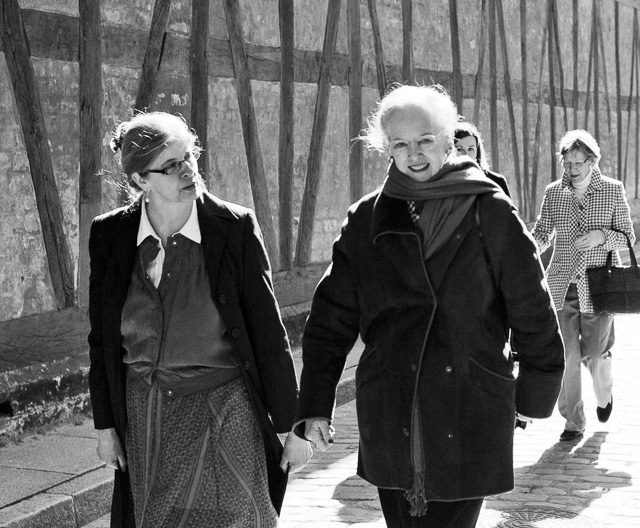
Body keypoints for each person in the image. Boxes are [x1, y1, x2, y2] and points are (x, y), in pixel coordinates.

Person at [293, 85, 565, 527]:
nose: (414, 154)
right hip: (392, 406)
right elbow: (330, 320)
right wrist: (315, 403)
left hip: (470, 403)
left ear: (446, 137)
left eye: (424, 140)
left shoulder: (489, 209)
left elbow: (531, 306)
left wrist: (530, 397)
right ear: (386, 149)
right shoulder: (368, 219)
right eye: (400, 144)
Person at [88, 112, 311, 527]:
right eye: (171, 166)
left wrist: (293, 427)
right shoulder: (109, 234)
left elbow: (267, 331)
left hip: (225, 406)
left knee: (243, 515)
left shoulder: (233, 226)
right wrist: (105, 426)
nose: (188, 170)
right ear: (140, 181)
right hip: (147, 412)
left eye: (188, 156)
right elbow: (100, 339)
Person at [532, 129, 635, 442]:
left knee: (595, 354)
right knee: (568, 357)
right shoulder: (553, 192)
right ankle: (574, 421)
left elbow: (628, 237)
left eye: (579, 161)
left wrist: (601, 236)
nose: (573, 167)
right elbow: (541, 233)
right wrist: (520, 248)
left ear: (593, 160)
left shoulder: (613, 190)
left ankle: (604, 394)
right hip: (561, 285)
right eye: (568, 161)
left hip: (600, 286)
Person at [454, 120, 511, 197]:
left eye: (471, 149)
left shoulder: (497, 181)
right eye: (460, 149)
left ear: (477, 151)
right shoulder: (443, 182)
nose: (466, 155)